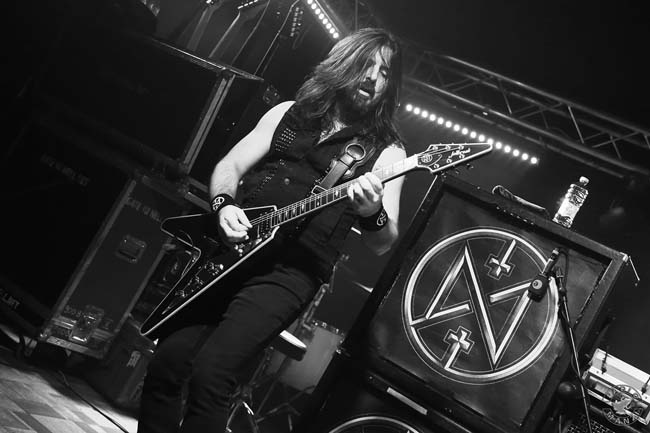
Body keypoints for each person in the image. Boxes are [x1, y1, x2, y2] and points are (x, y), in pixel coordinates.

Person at [138, 27, 406, 433]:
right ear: (343, 63)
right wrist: (224, 205)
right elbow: (230, 166)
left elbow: (384, 242)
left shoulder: (387, 152)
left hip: (290, 273)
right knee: (167, 362)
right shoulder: (288, 114)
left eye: (385, 72)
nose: (372, 77)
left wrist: (372, 212)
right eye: (366, 64)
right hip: (234, 252)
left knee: (212, 373)